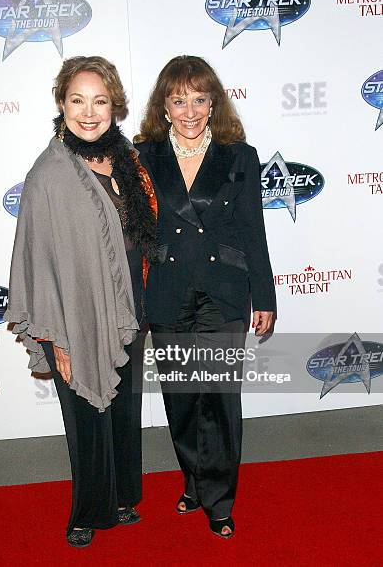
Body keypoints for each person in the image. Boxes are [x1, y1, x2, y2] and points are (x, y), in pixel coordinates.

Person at [5, 56, 157, 548]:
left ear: (115, 106)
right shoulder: (49, 174)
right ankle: (86, 513)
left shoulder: (127, 159)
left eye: (100, 101)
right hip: (72, 318)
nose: (88, 113)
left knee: (123, 411)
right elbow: (36, 262)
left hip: (128, 310)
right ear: (61, 103)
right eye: (77, 100)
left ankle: (120, 497)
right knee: (86, 419)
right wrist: (54, 338)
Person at [134, 55, 276, 539]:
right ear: (164, 106)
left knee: (219, 399)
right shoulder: (144, 156)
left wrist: (265, 295)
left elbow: (253, 230)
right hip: (169, 292)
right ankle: (194, 478)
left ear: (213, 102)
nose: (189, 111)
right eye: (178, 100)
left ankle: (218, 497)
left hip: (223, 293)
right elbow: (135, 233)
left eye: (198, 99)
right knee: (182, 399)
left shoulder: (240, 156)